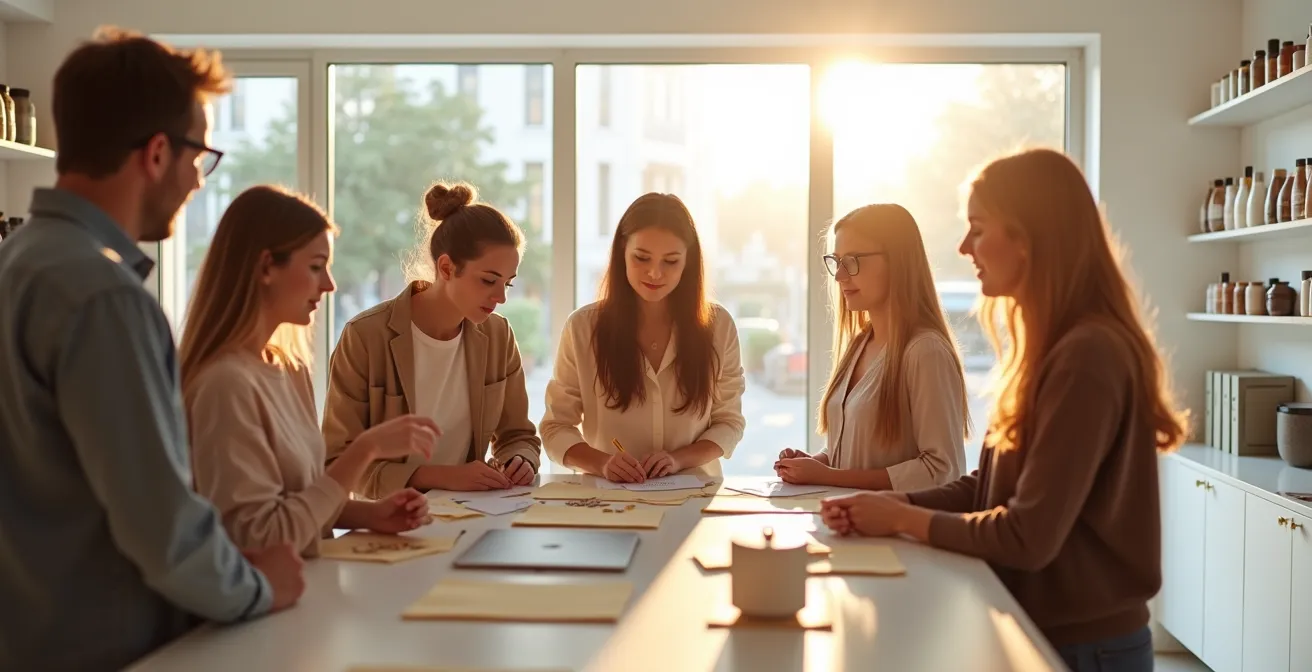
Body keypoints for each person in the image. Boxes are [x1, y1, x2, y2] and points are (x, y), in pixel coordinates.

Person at [0, 28, 303, 670]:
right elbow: (161, 527)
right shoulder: (103, 296)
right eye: (202, 155)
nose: (199, 179)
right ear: (159, 152)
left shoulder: (18, 263)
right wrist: (256, 586)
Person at [820, 148, 1187, 672]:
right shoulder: (1049, 349)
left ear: (1029, 236)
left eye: (977, 228)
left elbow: (1026, 535)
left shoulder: (1087, 356)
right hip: (1044, 625)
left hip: (1084, 647)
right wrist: (888, 507)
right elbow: (988, 487)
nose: (964, 246)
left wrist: (902, 515)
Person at [181, 185, 439, 556]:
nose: (329, 285)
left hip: (309, 590)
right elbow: (260, 537)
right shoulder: (224, 385)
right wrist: (365, 449)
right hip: (266, 606)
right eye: (316, 267)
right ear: (267, 267)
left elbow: (302, 501)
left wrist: (370, 515)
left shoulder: (290, 369)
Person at [323, 181, 541, 497]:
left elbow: (518, 435)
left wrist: (520, 458)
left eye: (507, 284)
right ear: (447, 267)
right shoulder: (365, 337)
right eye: (488, 280)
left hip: (473, 516)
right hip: (387, 523)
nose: (500, 297)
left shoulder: (498, 335)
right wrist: (442, 477)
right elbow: (336, 463)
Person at [541, 193, 746, 481]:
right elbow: (556, 427)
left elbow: (729, 423)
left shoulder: (718, 326)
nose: (654, 272)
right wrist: (603, 464)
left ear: (688, 263)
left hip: (692, 497)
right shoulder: (583, 328)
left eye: (671, 261)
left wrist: (677, 460)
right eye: (641, 258)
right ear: (622, 251)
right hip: (608, 501)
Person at [774, 204, 969, 490]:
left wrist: (826, 476)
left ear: (898, 261)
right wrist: (818, 462)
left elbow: (941, 470)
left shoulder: (926, 352)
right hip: (846, 524)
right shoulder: (860, 344)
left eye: (852, 260)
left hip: (890, 533)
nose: (839, 276)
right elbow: (858, 454)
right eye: (836, 261)